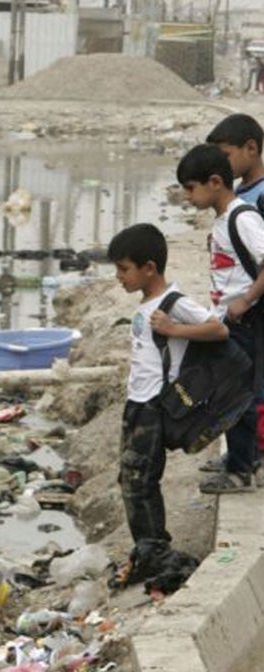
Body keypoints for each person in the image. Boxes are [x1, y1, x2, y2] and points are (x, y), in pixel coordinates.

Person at [106, 223, 228, 581]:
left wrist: (175, 330)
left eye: (124, 269)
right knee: (131, 479)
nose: (119, 277)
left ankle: (154, 549)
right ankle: (147, 547)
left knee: (141, 479)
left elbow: (217, 329)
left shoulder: (173, 303)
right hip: (137, 401)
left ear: (149, 268)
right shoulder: (147, 304)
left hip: (154, 405)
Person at [177, 144, 264, 493]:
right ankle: (240, 459)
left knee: (239, 397)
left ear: (215, 182)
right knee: (230, 393)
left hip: (245, 322)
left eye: (191, 188)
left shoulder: (242, 218)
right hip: (229, 321)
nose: (188, 197)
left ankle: (242, 470)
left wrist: (246, 299)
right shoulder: (225, 220)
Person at [207, 113, 264, 207]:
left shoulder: (261, 194)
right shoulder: (238, 190)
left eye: (225, 156)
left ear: (251, 148)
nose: (220, 164)